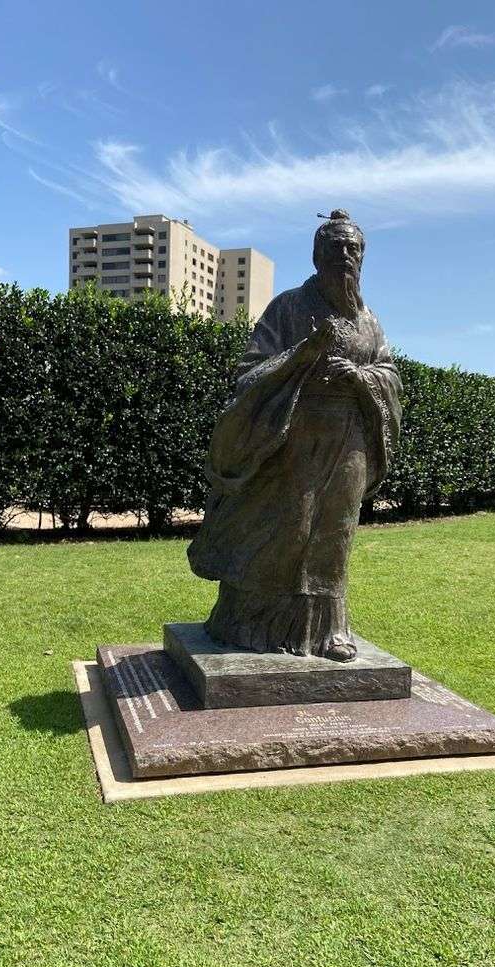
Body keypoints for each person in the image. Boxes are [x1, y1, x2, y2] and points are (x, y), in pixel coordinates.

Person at [188, 210, 402, 661]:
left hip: (350, 441)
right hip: (290, 438)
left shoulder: (370, 321)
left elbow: (389, 374)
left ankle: (327, 631)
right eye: (336, 248)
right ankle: (247, 625)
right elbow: (251, 371)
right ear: (317, 255)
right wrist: (306, 352)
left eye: (354, 249)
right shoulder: (288, 307)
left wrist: (362, 378)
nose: (346, 256)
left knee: (333, 534)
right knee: (284, 530)